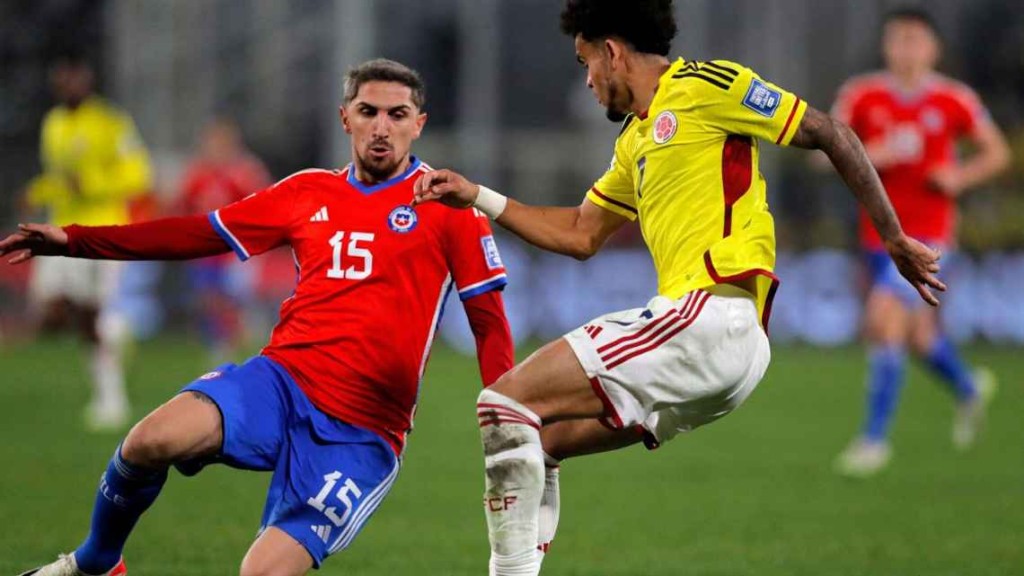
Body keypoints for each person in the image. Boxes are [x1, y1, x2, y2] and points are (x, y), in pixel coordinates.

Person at [412, 1, 943, 574]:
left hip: (713, 316)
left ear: (612, 53)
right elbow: (580, 233)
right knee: (543, 439)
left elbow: (830, 132)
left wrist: (892, 235)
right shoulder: (634, 141)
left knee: (503, 402)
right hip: (721, 352)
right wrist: (478, 197)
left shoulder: (707, 84)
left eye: (586, 63)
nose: (587, 80)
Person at [4, 58, 514, 576]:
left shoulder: (451, 206)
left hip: (362, 432)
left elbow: (489, 323)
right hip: (280, 383)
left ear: (418, 124)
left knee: (260, 572)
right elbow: (195, 234)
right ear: (345, 118)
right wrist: (74, 240)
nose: (382, 127)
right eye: (368, 112)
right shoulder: (307, 191)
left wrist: (508, 430)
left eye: (397, 114)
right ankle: (94, 563)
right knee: (148, 440)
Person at [830, 8, 1010, 477]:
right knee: (919, 337)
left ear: (933, 48)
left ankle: (873, 441)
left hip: (930, 236)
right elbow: (821, 152)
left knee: (883, 318)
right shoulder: (860, 95)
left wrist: (959, 176)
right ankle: (968, 386)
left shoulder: (954, 99)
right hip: (878, 236)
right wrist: (865, 155)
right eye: (898, 39)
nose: (906, 49)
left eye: (915, 40)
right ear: (886, 46)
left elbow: (997, 152)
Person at [22, 50, 153, 431]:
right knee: (50, 311)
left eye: (73, 76)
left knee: (89, 317)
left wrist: (92, 183)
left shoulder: (110, 122)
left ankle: (111, 398)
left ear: (87, 78)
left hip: (101, 231)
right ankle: (116, 331)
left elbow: (139, 174)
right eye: (62, 77)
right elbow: (60, 178)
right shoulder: (53, 124)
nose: (68, 84)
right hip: (59, 230)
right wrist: (36, 193)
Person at [177, 117, 272, 364]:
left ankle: (238, 341)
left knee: (230, 299)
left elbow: (263, 205)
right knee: (209, 299)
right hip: (206, 250)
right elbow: (184, 204)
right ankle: (220, 345)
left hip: (235, 249)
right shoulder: (198, 173)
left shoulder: (245, 171)